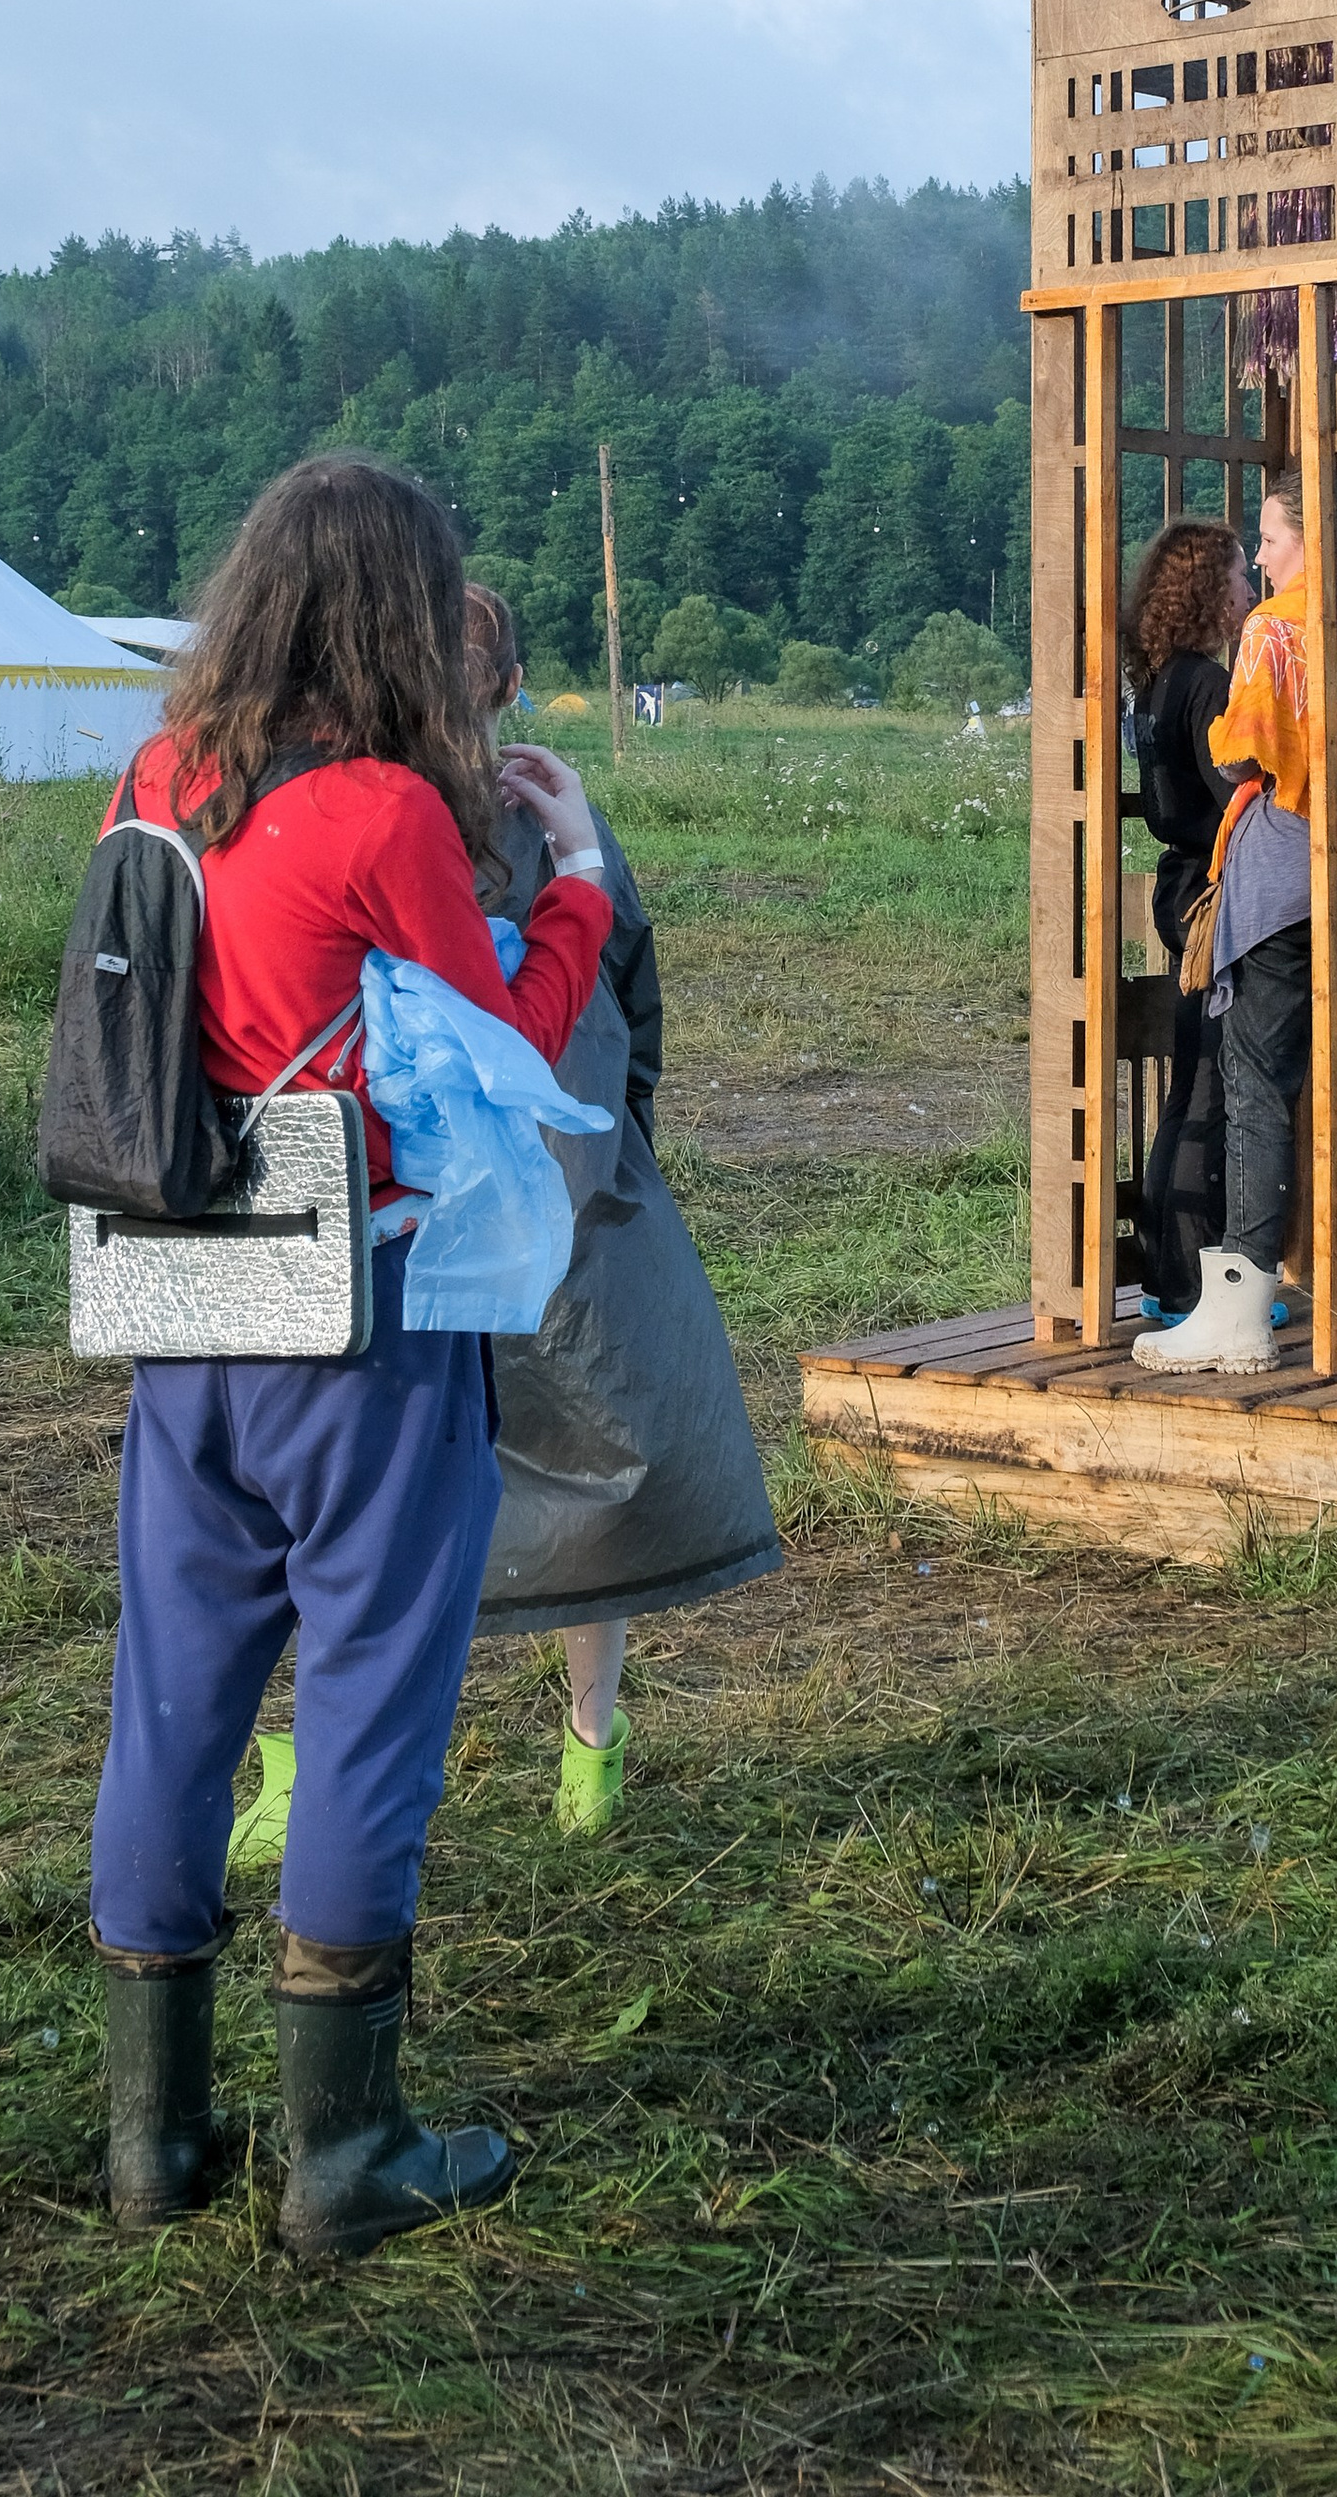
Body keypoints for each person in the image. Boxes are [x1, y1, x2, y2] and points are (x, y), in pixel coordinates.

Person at [85, 456, 613, 2261]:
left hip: (180, 1314)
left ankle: (155, 2139)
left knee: (173, 1700)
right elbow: (510, 1042)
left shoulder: (154, 780)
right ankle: (344, 2149)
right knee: (372, 1696)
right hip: (358, 1319)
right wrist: (584, 888)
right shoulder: (384, 809)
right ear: (402, 608)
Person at [459, 589, 780, 1830]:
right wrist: (618, 1136)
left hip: (458, 1198)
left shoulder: (385, 809)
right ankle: (588, 1741)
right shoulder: (558, 818)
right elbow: (635, 1004)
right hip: (564, 1181)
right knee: (595, 1450)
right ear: (514, 682)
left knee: (369, 1485)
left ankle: (339, 1755)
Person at [1131, 470, 1337, 1377]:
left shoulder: (1278, 626)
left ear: (1306, 537)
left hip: (1283, 875)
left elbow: (1240, 745)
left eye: (1268, 537)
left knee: (1256, 1076)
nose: (1260, 556)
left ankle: (1238, 1308)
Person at [1119, 519, 1252, 1320]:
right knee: (1210, 1087)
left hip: (1179, 888)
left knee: (1187, 1081)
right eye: (1239, 575)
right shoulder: (1205, 682)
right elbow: (1232, 784)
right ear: (1209, 588)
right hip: (1212, 892)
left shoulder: (1160, 679)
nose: (1249, 587)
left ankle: (1169, 1277)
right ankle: (1191, 1283)